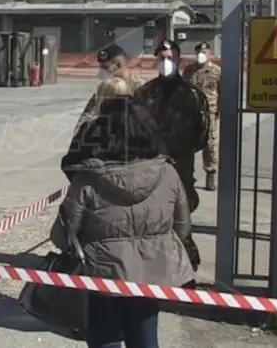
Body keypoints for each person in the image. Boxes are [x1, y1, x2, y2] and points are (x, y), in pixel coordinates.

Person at [52, 96, 195, 348]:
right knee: (146, 338)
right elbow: (182, 227)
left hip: (102, 275)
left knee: (104, 337)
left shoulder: (87, 178)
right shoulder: (167, 172)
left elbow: (63, 236)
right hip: (153, 272)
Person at [133, 38, 208, 270]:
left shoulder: (194, 95)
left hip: (181, 166)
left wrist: (181, 151)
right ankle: (154, 265)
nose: (166, 62)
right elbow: (135, 128)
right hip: (151, 165)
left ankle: (185, 265)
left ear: (179, 60)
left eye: (170, 57)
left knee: (182, 214)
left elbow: (202, 135)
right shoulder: (144, 93)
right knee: (152, 214)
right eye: (162, 58)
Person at [77, 45, 145, 132]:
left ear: (117, 65)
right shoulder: (104, 89)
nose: (102, 72)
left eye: (105, 68)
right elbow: (86, 118)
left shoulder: (141, 88)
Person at [182, 41, 221, 192]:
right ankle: (188, 175)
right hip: (192, 111)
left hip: (209, 111)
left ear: (209, 53)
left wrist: (219, 110)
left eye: (205, 52)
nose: (202, 54)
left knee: (210, 143)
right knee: (189, 144)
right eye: (199, 52)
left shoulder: (217, 71)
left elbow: (221, 92)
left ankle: (210, 173)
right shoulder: (189, 70)